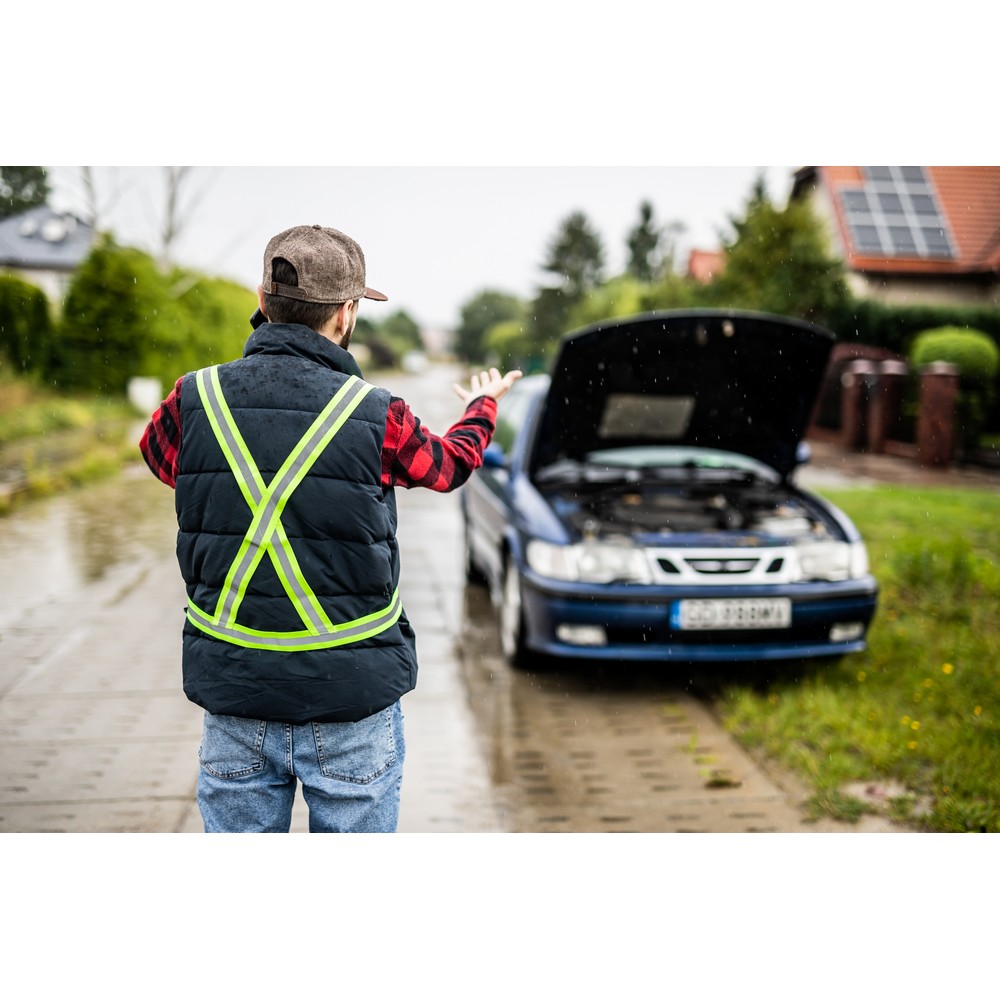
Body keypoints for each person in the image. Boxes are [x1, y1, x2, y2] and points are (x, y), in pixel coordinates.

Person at [139, 224, 521, 833]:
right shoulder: (377, 414)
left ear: (262, 303)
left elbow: (167, 465)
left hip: (237, 693)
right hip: (349, 701)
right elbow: (448, 467)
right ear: (346, 314)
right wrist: (484, 406)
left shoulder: (194, 397)